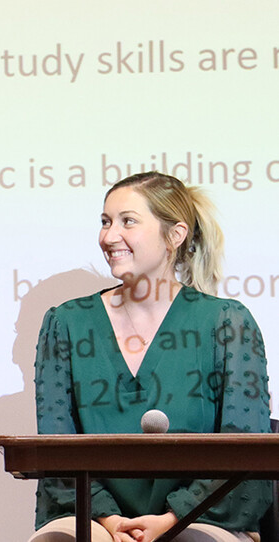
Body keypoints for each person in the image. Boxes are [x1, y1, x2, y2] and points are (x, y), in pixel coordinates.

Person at [29, 172, 271, 542]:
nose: (109, 237)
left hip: (204, 516)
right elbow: (56, 453)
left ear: (175, 235)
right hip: (92, 520)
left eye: (128, 221)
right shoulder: (65, 324)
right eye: (105, 222)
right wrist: (109, 520)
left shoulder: (227, 323)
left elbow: (246, 450)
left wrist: (173, 517)